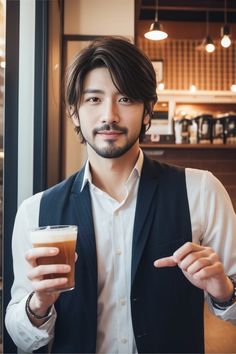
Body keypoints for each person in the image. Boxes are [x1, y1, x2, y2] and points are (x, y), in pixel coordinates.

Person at [5, 36, 236, 354]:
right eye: (94, 99)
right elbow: (19, 335)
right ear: (74, 112)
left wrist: (224, 290)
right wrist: (38, 303)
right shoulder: (35, 211)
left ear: (147, 112)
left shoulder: (201, 191)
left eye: (125, 99)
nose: (109, 115)